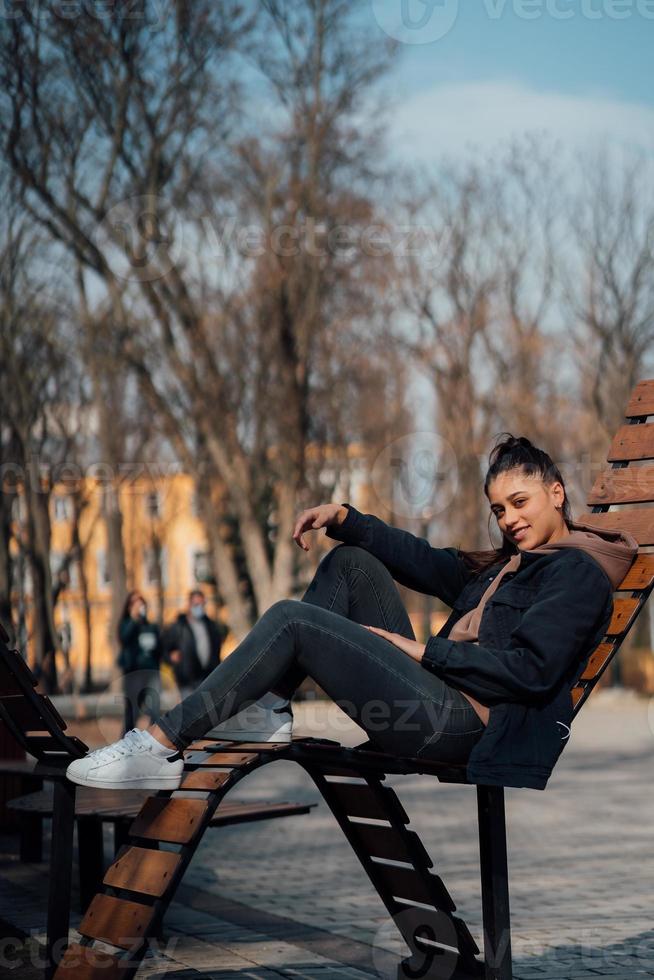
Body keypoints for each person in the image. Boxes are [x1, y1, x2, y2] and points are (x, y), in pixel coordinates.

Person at [67, 435, 638, 792]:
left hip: (463, 724)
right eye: (498, 509)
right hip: (436, 697)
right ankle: (269, 709)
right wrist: (346, 518)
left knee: (294, 619)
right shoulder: (508, 564)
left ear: (557, 494)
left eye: (521, 503)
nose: (509, 519)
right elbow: (422, 560)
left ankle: (162, 743)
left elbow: (530, 672)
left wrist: (425, 651)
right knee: (353, 563)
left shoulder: (575, 574)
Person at [162, 589, 229, 698]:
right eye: (196, 604)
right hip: (187, 680)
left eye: (202, 604)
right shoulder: (179, 626)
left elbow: (217, 648)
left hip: (207, 677)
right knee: (191, 711)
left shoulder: (210, 625)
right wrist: (171, 657)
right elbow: (165, 649)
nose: (199, 608)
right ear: (189, 604)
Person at [116, 590, 163, 736]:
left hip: (152, 671)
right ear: (129, 606)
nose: (139, 606)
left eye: (141, 603)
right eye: (135, 603)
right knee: (133, 711)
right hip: (134, 673)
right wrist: (134, 620)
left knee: (154, 708)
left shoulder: (151, 626)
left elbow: (159, 647)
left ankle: (153, 739)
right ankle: (125, 740)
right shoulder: (125, 624)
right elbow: (124, 639)